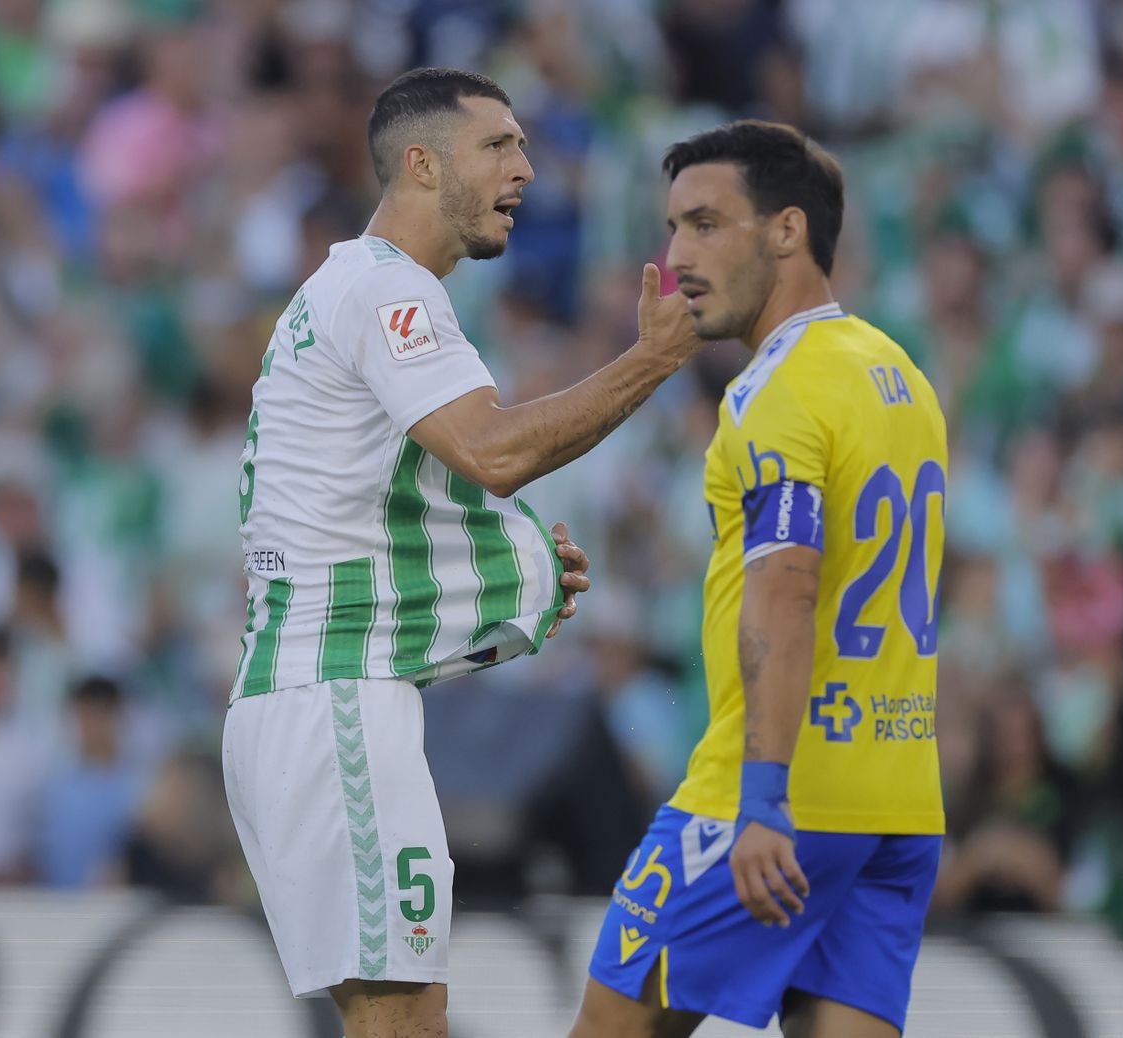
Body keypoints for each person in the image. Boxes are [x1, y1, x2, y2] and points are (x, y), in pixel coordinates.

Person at [223, 67, 703, 1038]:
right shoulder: (388, 291)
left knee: (405, 1016)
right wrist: (651, 358)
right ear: (420, 161)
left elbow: (351, 509)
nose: (525, 169)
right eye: (498, 146)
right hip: (336, 704)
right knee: (402, 1017)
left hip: (310, 695)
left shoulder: (347, 289)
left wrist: (501, 574)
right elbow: (493, 452)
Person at [571, 121, 947, 1038]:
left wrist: (764, 799)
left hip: (775, 798)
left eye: (705, 224)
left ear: (787, 231)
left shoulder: (774, 393)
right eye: (672, 229)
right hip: (896, 806)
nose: (675, 258)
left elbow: (786, 586)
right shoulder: (898, 374)